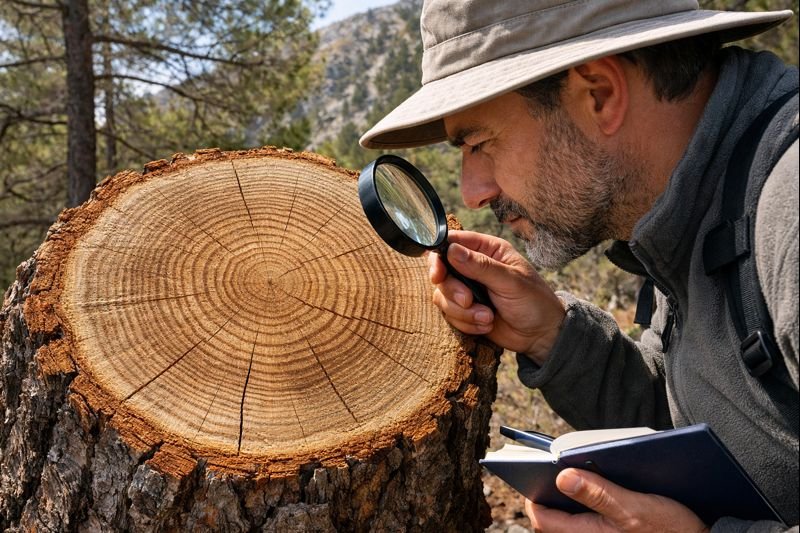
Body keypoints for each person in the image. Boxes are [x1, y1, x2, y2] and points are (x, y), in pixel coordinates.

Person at [360, 1, 798, 531]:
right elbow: (703, 415)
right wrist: (554, 336)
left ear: (600, 94)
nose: (473, 192)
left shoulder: (788, 209)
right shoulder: (677, 205)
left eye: (479, 143)